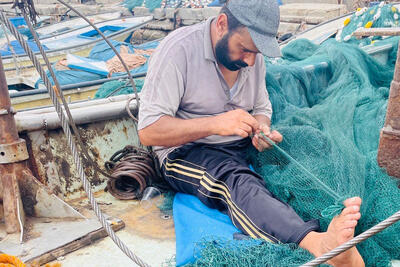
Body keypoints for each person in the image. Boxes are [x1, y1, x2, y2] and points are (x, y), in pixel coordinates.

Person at [138, 0, 364, 266]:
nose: (250, 60)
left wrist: (262, 129)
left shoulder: (252, 57)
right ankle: (318, 244)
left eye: (256, 52)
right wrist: (215, 124)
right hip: (187, 151)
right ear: (222, 25)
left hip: (240, 145)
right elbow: (149, 132)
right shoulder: (177, 50)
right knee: (235, 181)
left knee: (304, 150)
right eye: (244, 49)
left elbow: (261, 107)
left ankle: (339, 223)